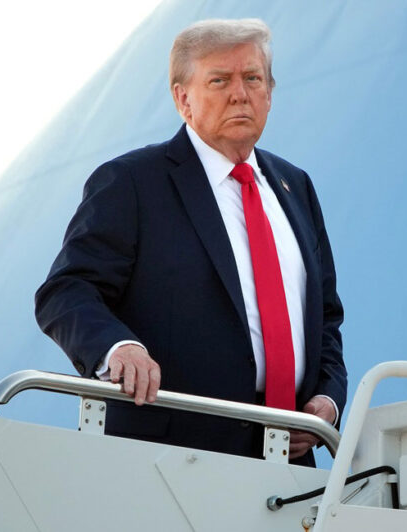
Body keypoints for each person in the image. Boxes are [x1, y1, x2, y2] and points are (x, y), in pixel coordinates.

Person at [35, 18, 346, 465]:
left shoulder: (296, 188)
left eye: (252, 78)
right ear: (183, 99)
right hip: (172, 456)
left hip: (289, 460)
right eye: (219, 80)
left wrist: (327, 400)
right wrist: (118, 348)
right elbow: (66, 291)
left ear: (270, 92)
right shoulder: (133, 183)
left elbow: (326, 318)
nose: (239, 93)